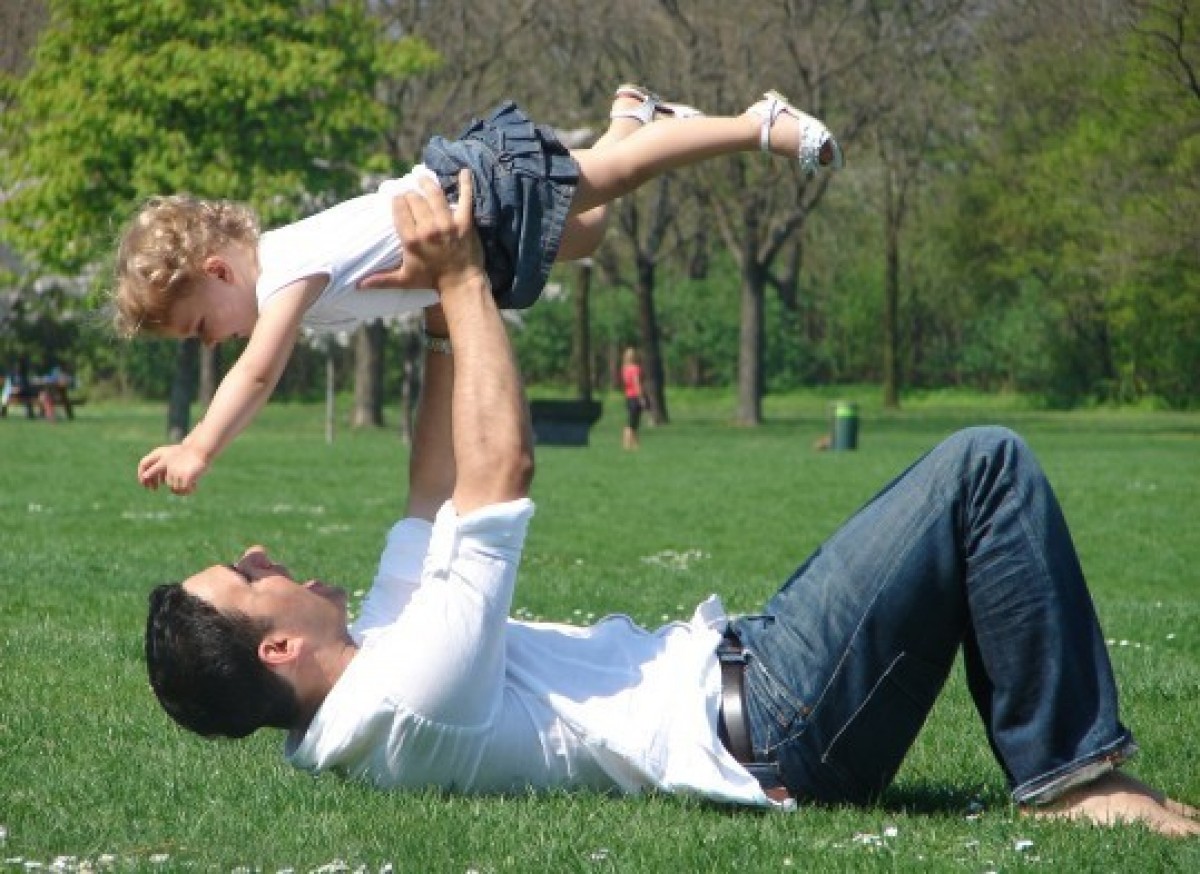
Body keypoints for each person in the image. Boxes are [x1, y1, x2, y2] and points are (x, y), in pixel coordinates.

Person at [143, 176, 1199, 837]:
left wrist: (430, 311)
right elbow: (498, 474)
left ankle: (1065, 762)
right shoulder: (405, 700)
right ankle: (1074, 781)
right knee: (983, 468)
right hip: (774, 724)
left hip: (756, 668)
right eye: (247, 575)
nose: (260, 550)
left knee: (968, 487)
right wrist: (465, 282)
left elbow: (433, 492)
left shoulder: (366, 670)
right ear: (278, 647)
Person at [113, 84, 842, 496]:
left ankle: (757, 123)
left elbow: (257, 373)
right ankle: (635, 116)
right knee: (587, 234)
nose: (210, 344)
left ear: (218, 272)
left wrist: (200, 446)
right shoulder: (287, 274)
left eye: (200, 327)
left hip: (475, 194)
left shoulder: (282, 274)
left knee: (608, 177)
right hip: (474, 232)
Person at [620, 346, 647, 450]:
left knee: (633, 421)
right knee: (632, 422)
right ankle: (627, 444)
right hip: (635, 396)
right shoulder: (635, 369)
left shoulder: (624, 369)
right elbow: (637, 384)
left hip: (628, 397)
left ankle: (635, 444)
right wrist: (641, 398)